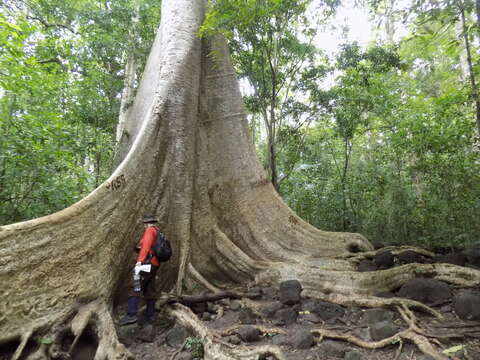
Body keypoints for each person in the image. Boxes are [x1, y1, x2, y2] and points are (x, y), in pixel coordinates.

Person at [120, 215, 161, 326]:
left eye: (144, 223)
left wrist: (139, 262)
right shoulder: (157, 231)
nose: (144, 226)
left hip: (146, 264)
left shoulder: (149, 230)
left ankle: (131, 315)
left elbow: (146, 247)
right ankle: (150, 316)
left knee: (135, 285)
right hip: (154, 265)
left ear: (147, 223)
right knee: (149, 287)